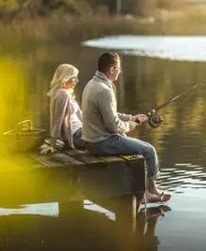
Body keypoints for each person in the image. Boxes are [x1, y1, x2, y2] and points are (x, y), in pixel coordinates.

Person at [82, 52, 171, 203]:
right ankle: (149, 192)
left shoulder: (92, 84)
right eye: (118, 68)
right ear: (111, 69)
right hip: (101, 143)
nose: (120, 71)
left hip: (91, 141)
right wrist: (130, 126)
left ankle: (148, 190)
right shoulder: (104, 90)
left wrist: (131, 117)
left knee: (134, 145)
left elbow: (110, 114)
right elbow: (113, 126)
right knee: (149, 150)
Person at [41, 63, 86, 154]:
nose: (77, 81)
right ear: (65, 77)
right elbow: (58, 120)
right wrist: (52, 144)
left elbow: (81, 116)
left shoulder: (66, 93)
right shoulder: (62, 93)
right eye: (74, 77)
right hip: (76, 134)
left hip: (81, 131)